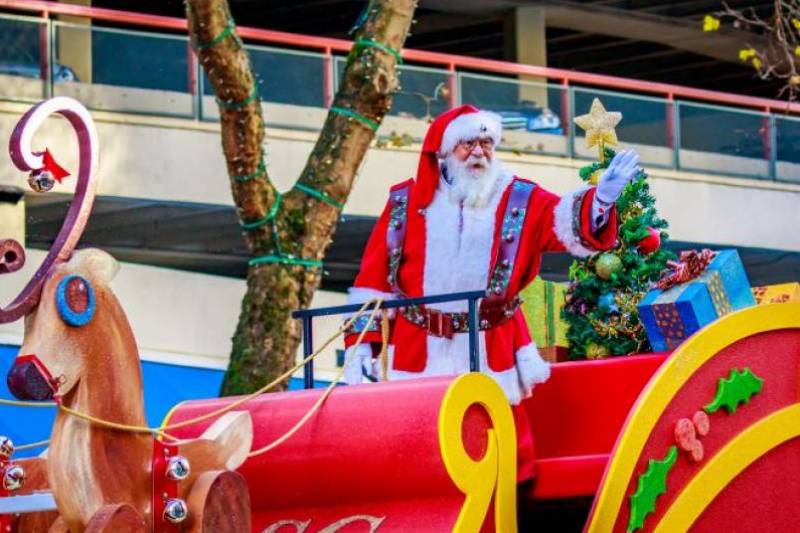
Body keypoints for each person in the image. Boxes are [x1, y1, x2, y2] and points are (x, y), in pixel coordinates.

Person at [342, 104, 639, 481]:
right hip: (418, 347)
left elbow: (563, 223)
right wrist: (361, 348)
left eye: (486, 142)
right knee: (415, 453)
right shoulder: (405, 202)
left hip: (491, 343)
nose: (479, 151)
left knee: (495, 453)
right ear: (444, 152)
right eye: (468, 143)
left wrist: (602, 201)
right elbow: (373, 281)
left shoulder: (519, 197)